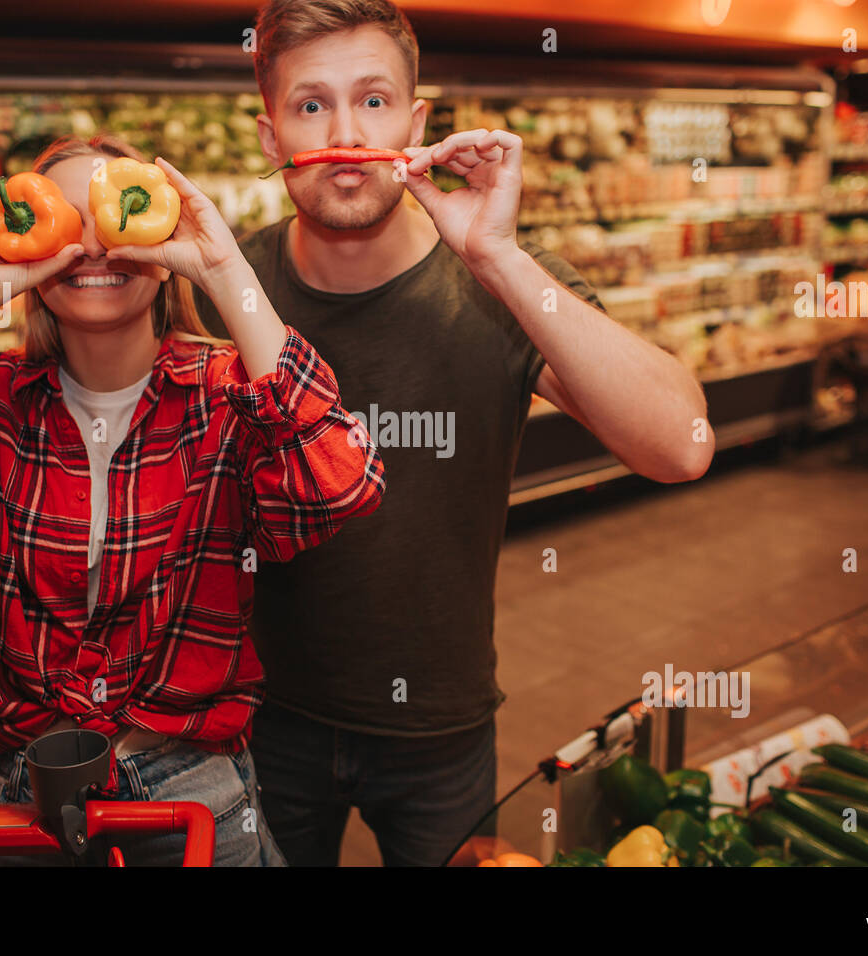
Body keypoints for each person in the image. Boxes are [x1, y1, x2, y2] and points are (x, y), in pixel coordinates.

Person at [190, 0, 716, 866]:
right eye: (311, 105)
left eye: (374, 99)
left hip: (442, 727)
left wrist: (499, 258)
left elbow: (683, 443)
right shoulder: (221, 288)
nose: (347, 132)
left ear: (417, 122)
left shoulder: (497, 279)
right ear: (269, 136)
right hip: (254, 720)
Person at [0, 134, 385, 866]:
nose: (90, 246)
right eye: (63, 222)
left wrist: (223, 267)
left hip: (195, 791)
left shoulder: (225, 396)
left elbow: (341, 483)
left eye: (115, 216)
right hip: (19, 800)